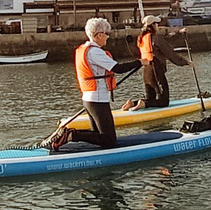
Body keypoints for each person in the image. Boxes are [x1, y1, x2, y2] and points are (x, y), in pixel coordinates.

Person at [49, 18, 149, 151]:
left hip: (89, 99)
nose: (107, 37)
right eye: (107, 34)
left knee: (98, 135)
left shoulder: (84, 49)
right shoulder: (95, 52)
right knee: (109, 140)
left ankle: (69, 135)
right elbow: (117, 68)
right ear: (99, 35)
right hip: (97, 99)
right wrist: (140, 62)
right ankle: (72, 134)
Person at [121, 15, 194, 112]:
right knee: (164, 101)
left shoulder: (141, 38)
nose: (158, 26)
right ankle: (143, 103)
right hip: (156, 70)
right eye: (157, 24)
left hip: (146, 72)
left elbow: (166, 39)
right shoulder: (156, 38)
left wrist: (179, 33)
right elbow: (169, 53)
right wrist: (186, 62)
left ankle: (133, 103)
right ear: (153, 25)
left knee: (151, 98)